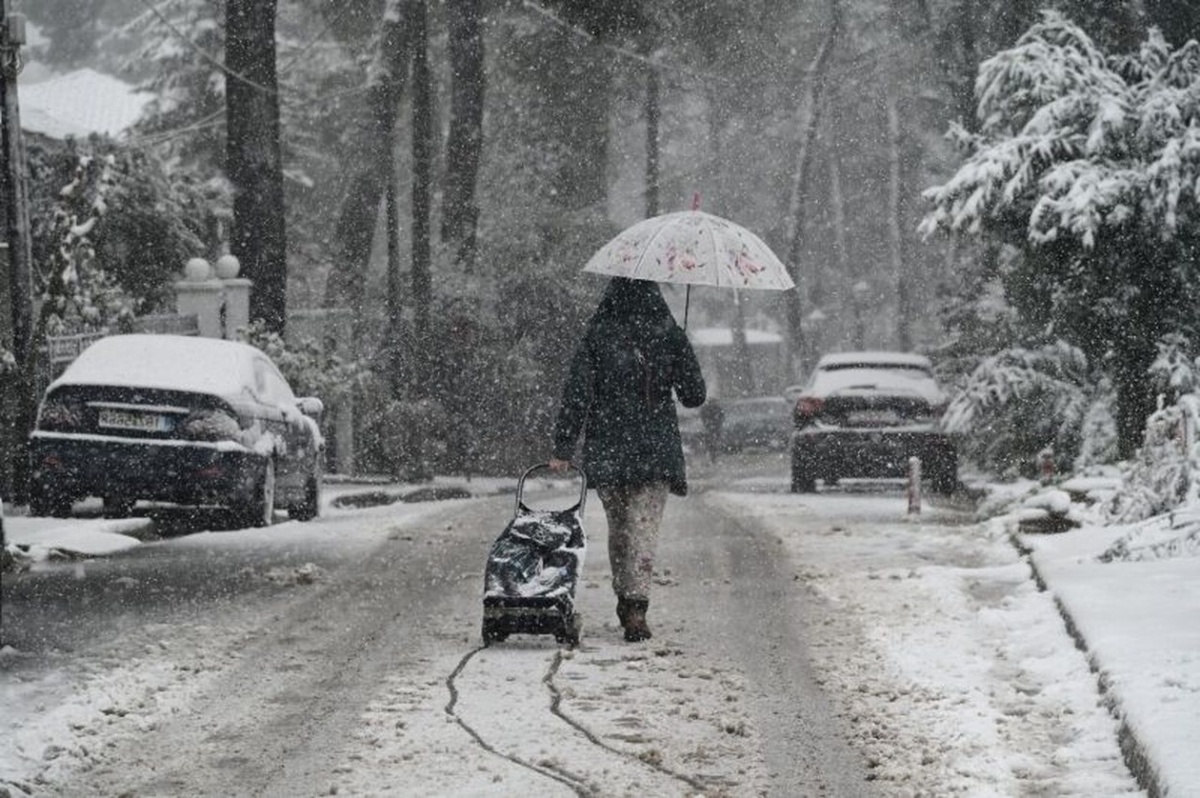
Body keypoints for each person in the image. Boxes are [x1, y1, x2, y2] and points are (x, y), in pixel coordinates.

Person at [549, 277, 706, 642]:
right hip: (655, 450)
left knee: (620, 529)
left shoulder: (598, 336)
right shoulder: (669, 334)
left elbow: (577, 393)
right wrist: (681, 351)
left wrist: (563, 446)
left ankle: (627, 597)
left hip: (608, 448)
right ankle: (636, 607)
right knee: (643, 529)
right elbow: (694, 396)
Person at [699, 398, 725, 463]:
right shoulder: (707, 409)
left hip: (714, 428)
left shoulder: (716, 408)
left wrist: (717, 424)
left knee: (713, 442)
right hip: (711, 428)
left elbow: (722, 417)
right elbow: (703, 417)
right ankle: (712, 455)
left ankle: (713, 454)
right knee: (711, 442)